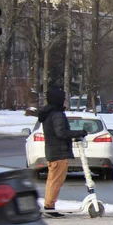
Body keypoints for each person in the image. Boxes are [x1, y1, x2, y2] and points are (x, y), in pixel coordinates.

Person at [38, 87, 87, 216]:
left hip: (53, 151)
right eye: (63, 99)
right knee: (56, 181)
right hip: (59, 152)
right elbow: (61, 133)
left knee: (52, 180)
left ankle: (49, 205)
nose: (64, 101)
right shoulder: (57, 115)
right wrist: (79, 133)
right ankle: (49, 207)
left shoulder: (48, 113)